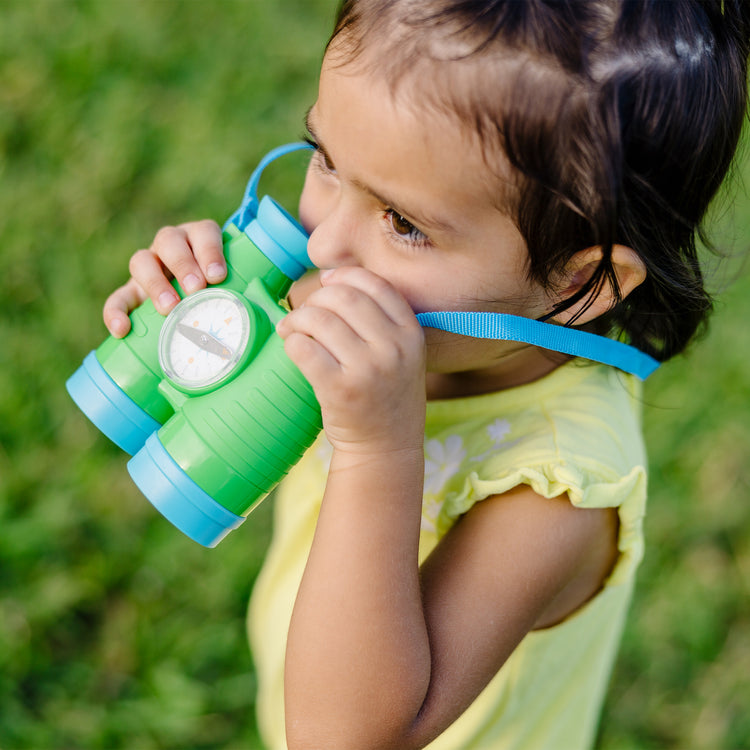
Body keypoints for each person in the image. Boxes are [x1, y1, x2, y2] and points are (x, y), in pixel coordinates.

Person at [101, 1, 750, 748]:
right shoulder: (372, 301)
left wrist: (379, 448)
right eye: (326, 161)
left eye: (404, 224)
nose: (325, 248)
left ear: (576, 285)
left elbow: (343, 737)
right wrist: (186, 320)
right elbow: (168, 421)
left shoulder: (557, 487)